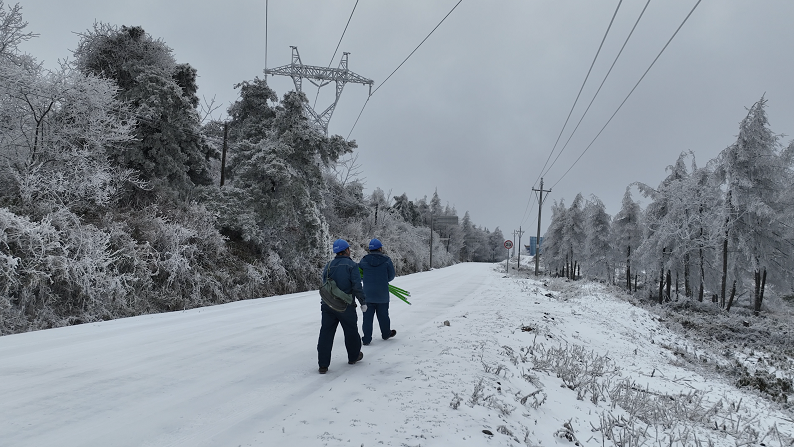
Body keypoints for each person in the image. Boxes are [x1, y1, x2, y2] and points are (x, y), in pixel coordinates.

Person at [317, 238, 366, 374]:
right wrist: (363, 302)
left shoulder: (329, 265)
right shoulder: (352, 266)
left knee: (326, 333)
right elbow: (357, 286)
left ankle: (323, 364)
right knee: (351, 331)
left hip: (328, 305)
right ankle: (353, 356)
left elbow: (326, 284)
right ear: (346, 251)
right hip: (345, 306)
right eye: (349, 249)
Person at [358, 238, 397, 345]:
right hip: (382, 293)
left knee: (367, 318)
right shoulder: (387, 260)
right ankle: (385, 334)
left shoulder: (364, 260)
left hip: (368, 294)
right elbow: (391, 276)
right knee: (383, 315)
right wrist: (383, 280)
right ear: (380, 248)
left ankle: (366, 339)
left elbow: (360, 274)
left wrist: (366, 280)